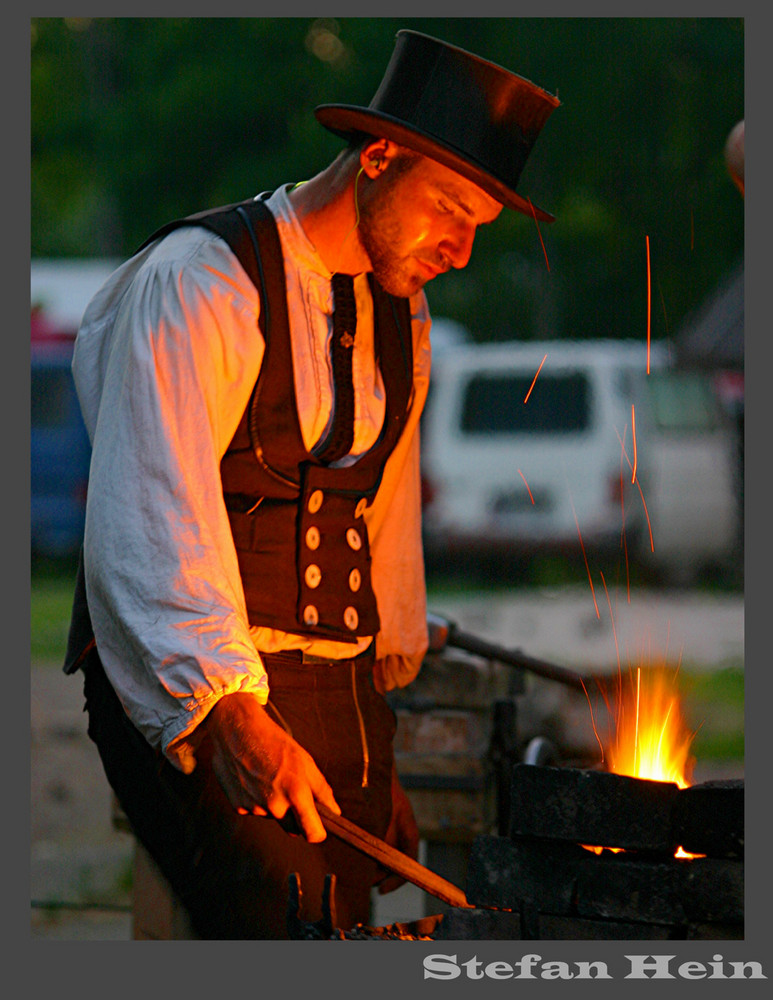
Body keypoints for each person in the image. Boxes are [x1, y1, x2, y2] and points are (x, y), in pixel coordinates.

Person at [63, 29, 559, 938]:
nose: (459, 250)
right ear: (378, 155)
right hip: (199, 681)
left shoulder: (398, 307)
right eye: (448, 208)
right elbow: (149, 514)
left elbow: (381, 514)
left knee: (359, 931)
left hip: (339, 692)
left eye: (475, 229)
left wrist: (379, 749)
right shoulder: (204, 282)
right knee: (283, 933)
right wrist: (223, 716)